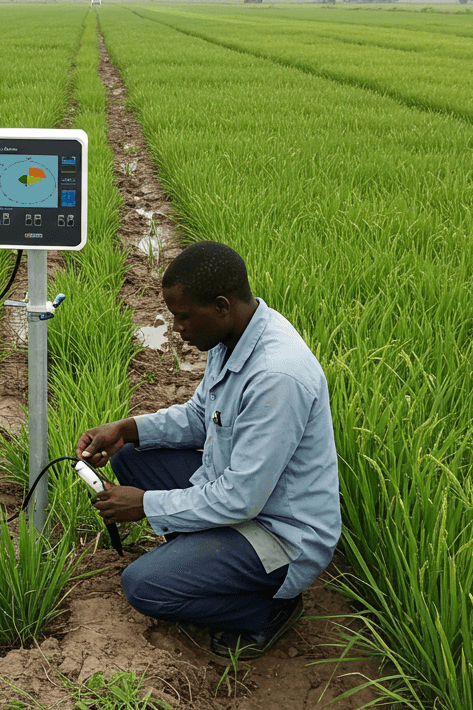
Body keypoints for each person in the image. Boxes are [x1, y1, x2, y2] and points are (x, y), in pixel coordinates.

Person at [76, 240, 340, 659]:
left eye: (183, 317)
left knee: (143, 587)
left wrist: (146, 505)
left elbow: (241, 499)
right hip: (244, 498)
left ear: (221, 305)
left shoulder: (276, 376)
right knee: (130, 454)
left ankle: (268, 609)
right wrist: (126, 429)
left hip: (280, 533)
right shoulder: (231, 337)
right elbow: (202, 416)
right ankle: (204, 556)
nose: (178, 328)